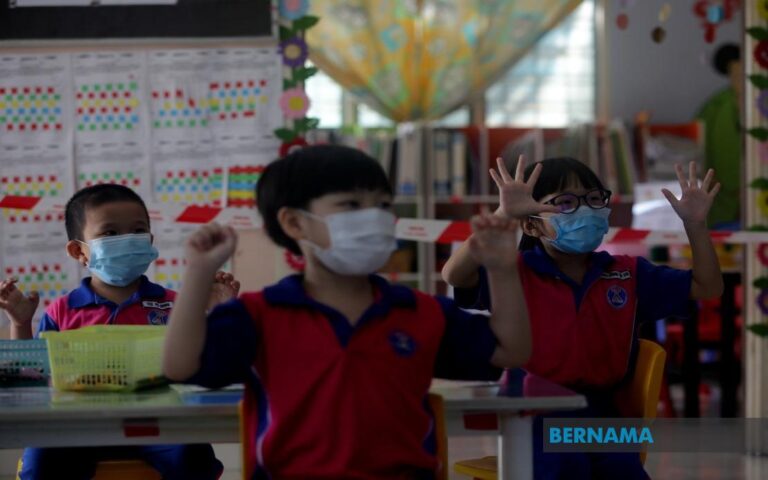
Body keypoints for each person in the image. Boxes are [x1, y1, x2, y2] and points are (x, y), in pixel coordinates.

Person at [162, 145, 533, 479]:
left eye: (383, 205)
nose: (374, 218)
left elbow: (510, 351)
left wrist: (503, 270)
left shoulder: (419, 311)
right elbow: (180, 366)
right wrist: (199, 273)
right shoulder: (261, 314)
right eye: (352, 205)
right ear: (294, 222)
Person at [442, 156, 724, 480]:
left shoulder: (628, 273)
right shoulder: (512, 270)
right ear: (532, 225)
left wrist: (695, 226)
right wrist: (504, 214)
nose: (584, 209)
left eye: (593, 198)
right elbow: (454, 275)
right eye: (565, 202)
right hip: (534, 411)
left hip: (605, 411)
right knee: (565, 467)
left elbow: (708, 287)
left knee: (624, 473)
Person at [0, 184, 236, 480]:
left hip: (158, 425)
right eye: (110, 233)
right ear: (78, 251)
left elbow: (211, 365)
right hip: (77, 428)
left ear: (150, 241)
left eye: (138, 231)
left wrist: (220, 312)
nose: (127, 240)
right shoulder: (62, 310)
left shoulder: (175, 305)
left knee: (195, 458)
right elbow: (28, 378)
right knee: (39, 465)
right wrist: (20, 323)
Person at [697, 42, 741, 228]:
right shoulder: (716, 107)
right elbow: (698, 145)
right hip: (721, 197)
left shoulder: (760, 103)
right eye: (735, 74)